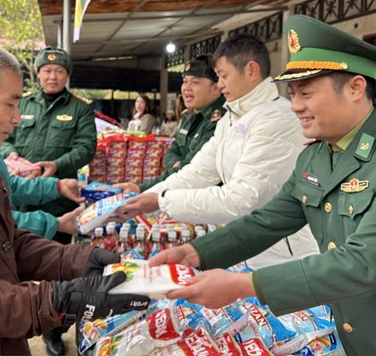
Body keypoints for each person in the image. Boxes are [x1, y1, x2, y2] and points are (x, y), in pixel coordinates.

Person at [151, 15, 376, 356]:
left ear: (356, 87)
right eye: (292, 93)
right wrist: (195, 253)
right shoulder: (315, 157)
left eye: (307, 92)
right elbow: (267, 222)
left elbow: (363, 262)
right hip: (356, 339)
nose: (296, 105)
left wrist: (244, 286)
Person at [0, 42, 149, 355]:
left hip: (5, 339)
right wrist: (57, 300)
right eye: (10, 105)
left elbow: (8, 242)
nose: (18, 118)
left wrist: (77, 260)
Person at [116, 35, 317, 268]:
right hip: (250, 245)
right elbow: (198, 172)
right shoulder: (231, 118)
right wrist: (148, 196)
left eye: (223, 75)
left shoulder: (275, 119)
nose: (220, 84)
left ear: (252, 70)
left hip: (286, 253)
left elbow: (242, 197)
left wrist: (162, 201)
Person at [0, 46, 97, 355]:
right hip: (20, 197)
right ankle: (15, 318)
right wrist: (10, 156)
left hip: (58, 201)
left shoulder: (80, 108)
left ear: (66, 76)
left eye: (58, 71)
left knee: (54, 267)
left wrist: (59, 166)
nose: (52, 76)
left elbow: (86, 147)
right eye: (46, 71)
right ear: (38, 74)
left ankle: (53, 332)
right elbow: (3, 138)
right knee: (14, 261)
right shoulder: (22, 103)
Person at [115, 54, 226, 193]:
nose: (187, 88)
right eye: (185, 81)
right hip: (182, 193)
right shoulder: (189, 115)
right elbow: (172, 150)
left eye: (195, 82)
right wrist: (176, 164)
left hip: (206, 200)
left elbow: (192, 171)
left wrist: (142, 189)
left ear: (216, 88)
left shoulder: (220, 119)